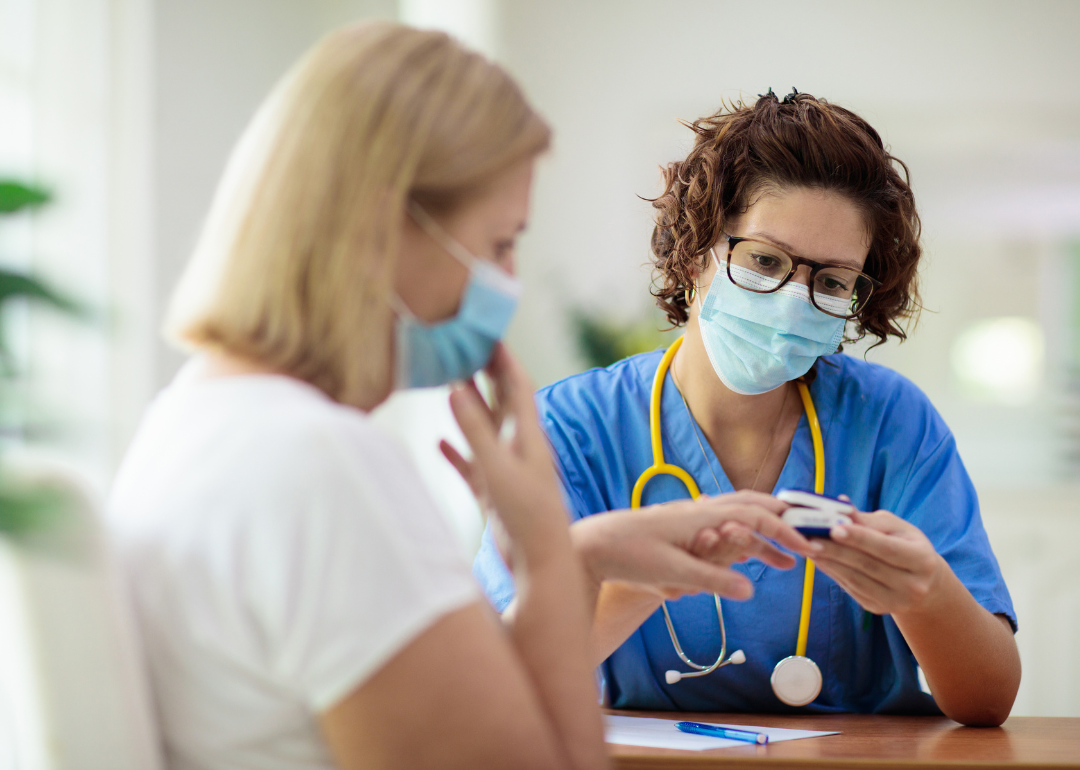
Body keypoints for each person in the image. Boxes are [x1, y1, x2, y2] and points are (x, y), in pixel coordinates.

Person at [107, 25, 819, 770]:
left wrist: (583, 556)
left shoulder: (194, 418)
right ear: (385, 228)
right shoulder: (323, 467)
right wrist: (545, 555)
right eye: (501, 242)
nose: (505, 283)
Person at [474, 90, 1021, 726]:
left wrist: (928, 595)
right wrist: (645, 578)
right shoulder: (570, 429)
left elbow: (988, 701)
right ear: (695, 250)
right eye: (764, 260)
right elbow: (506, 682)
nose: (795, 299)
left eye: (832, 281)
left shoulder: (890, 424)